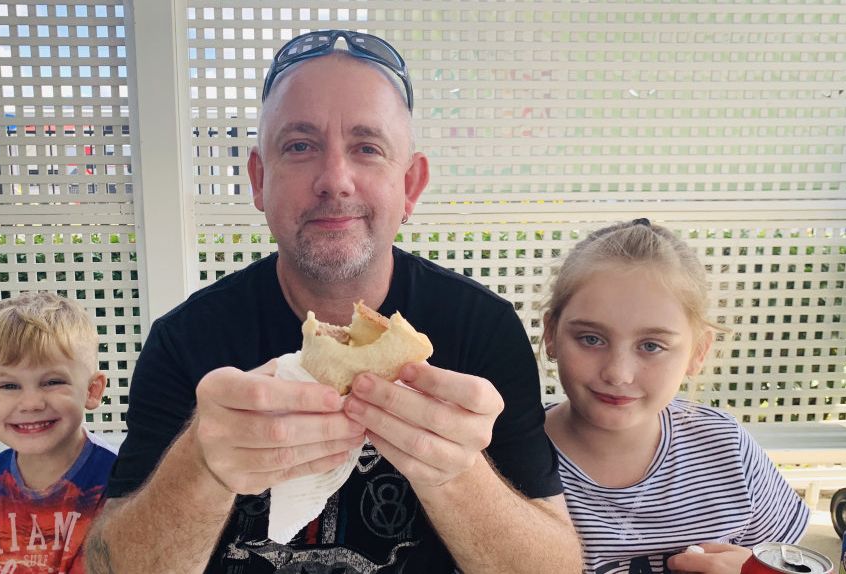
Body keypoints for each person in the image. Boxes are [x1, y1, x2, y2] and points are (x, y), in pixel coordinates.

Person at [86, 30, 581, 573]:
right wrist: (201, 465)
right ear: (259, 179)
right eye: (300, 146)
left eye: (367, 148)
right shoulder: (187, 341)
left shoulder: (480, 329)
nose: (335, 180)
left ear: (411, 184)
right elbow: (111, 565)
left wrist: (455, 473)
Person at [540, 219, 810, 574]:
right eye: (591, 338)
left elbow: (787, 561)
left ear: (698, 352)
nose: (618, 373)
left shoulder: (726, 450)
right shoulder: (502, 453)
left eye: (651, 345)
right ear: (551, 334)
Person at [0, 291, 116, 574]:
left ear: (92, 390)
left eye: (52, 381)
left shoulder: (121, 481)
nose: (31, 404)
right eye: (9, 386)